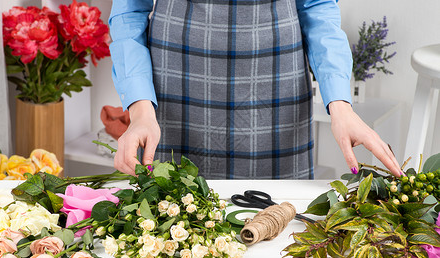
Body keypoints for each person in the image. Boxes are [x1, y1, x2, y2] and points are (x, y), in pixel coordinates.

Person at [108, 0, 402, 179]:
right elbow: (129, 11)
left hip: (276, 85)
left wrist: (340, 105)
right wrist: (141, 111)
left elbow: (317, 7)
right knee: (175, 228)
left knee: (278, 232)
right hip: (176, 85)